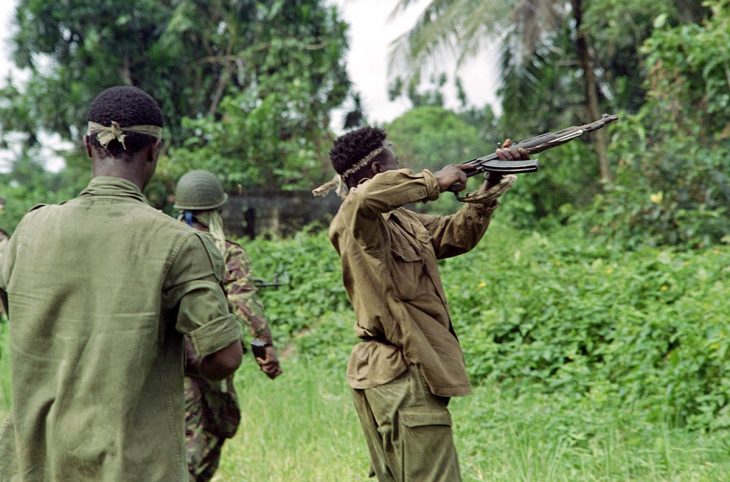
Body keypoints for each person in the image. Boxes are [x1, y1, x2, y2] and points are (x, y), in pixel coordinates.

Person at [0, 86, 243, 481]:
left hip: (36, 463)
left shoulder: (30, 229)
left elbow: (19, 310)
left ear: (87, 146)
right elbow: (225, 358)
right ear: (154, 152)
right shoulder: (179, 242)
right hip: (131, 465)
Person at [322, 126, 528, 481]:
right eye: (395, 164)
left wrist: (491, 182)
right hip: (399, 372)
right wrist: (436, 181)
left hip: (407, 370)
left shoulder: (400, 220)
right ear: (375, 173)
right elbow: (362, 199)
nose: (405, 170)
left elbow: (455, 234)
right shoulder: (356, 218)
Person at [174, 169, 283, 482]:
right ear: (216, 210)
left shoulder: (162, 244)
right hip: (206, 357)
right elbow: (244, 303)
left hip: (161, 358)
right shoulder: (227, 251)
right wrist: (265, 348)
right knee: (206, 432)